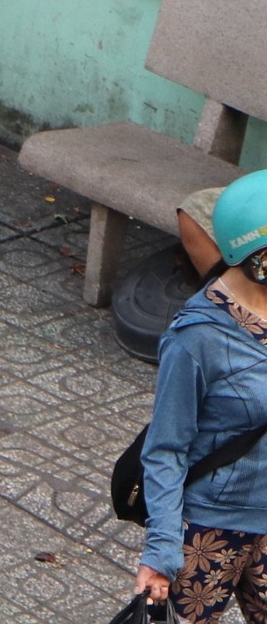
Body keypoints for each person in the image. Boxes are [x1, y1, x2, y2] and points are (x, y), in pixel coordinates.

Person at [137, 170, 267, 621]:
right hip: (211, 529)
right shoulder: (196, 339)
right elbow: (166, 449)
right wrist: (161, 551)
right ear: (257, 257)